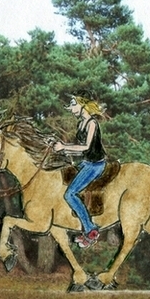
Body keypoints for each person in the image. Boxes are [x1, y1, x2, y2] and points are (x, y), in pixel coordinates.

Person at [52, 93, 107, 248]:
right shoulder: (81, 123)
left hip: (95, 165)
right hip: (86, 162)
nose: (71, 108)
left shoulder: (92, 124)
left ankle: (90, 229)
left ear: (83, 105)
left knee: (69, 194)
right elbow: (80, 151)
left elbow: (86, 147)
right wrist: (63, 150)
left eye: (73, 104)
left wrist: (64, 147)